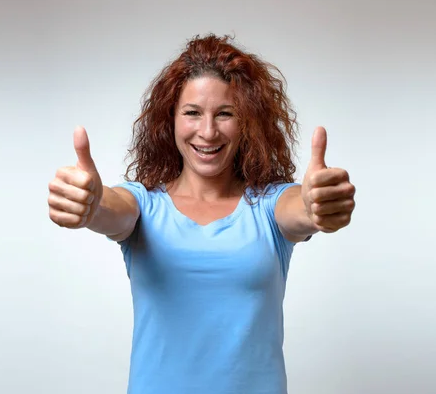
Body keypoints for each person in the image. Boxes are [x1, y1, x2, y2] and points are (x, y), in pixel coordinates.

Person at [48, 34, 356, 394]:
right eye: (192, 113)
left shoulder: (270, 204)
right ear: (171, 120)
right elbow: (111, 210)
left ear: (248, 123)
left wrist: (318, 204)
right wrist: (90, 203)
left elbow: (300, 208)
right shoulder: (143, 205)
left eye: (225, 114)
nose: (207, 132)